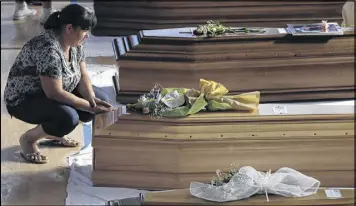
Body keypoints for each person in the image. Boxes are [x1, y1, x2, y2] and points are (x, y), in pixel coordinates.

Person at [4, 4, 116, 164]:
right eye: (85, 30)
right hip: (25, 99)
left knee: (99, 101)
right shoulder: (48, 48)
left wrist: (91, 98)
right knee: (68, 118)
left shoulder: (75, 43)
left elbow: (82, 74)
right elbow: (54, 93)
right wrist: (87, 105)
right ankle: (29, 139)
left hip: (54, 91)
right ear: (70, 28)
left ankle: (54, 132)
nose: (87, 36)